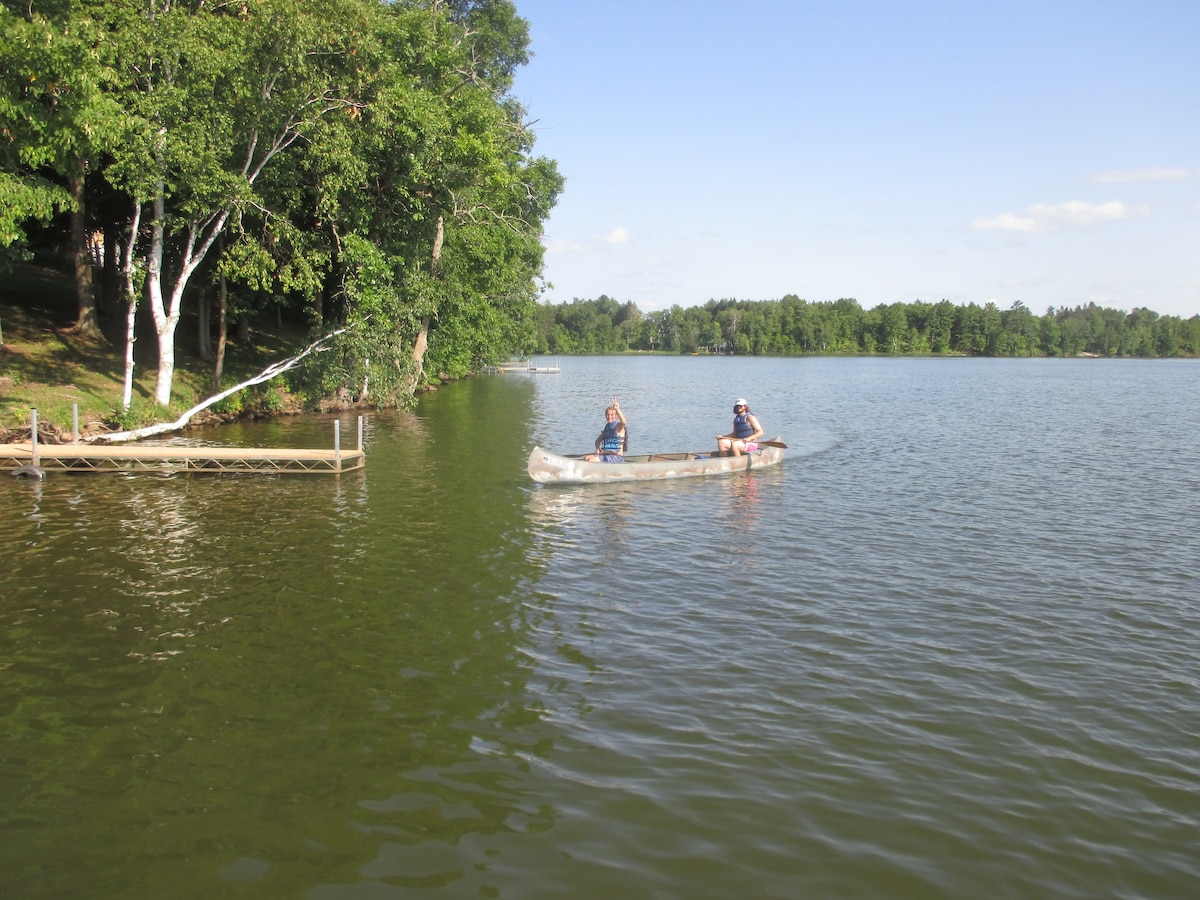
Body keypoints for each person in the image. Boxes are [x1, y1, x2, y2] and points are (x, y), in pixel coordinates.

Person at [585, 398, 627, 462]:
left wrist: (618, 410)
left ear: (616, 416)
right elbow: (597, 441)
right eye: (607, 415)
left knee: (591, 460)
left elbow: (624, 422)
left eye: (612, 415)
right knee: (586, 458)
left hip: (616, 457)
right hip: (606, 455)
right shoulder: (607, 427)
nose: (609, 417)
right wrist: (597, 449)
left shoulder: (618, 426)